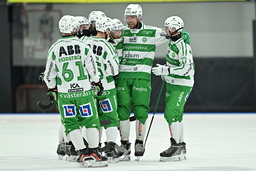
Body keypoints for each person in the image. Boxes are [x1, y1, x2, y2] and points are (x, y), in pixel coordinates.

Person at [116, 4, 191, 161]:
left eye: (132, 17)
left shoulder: (152, 31)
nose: (129, 20)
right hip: (123, 75)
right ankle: (124, 145)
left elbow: (173, 34)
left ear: (140, 17)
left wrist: (184, 36)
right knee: (121, 110)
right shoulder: (121, 31)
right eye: (127, 17)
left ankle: (139, 142)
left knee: (141, 110)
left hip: (142, 77)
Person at [43, 15, 107, 167]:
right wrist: (96, 81)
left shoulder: (54, 48)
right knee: (91, 121)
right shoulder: (83, 46)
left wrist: (52, 88)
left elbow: (48, 75)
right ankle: (94, 152)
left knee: (71, 124)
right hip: (84, 92)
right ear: (73, 29)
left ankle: (81, 153)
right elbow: (92, 68)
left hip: (65, 94)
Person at [152, 16, 194, 162]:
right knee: (177, 115)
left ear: (175, 29)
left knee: (171, 113)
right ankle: (180, 146)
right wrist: (166, 72)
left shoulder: (183, 46)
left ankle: (176, 146)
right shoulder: (172, 42)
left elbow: (186, 68)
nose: (165, 30)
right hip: (173, 82)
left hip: (182, 84)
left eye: (168, 28)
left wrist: (167, 70)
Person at [81, 16, 120, 162]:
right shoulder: (107, 46)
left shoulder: (85, 42)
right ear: (107, 30)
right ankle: (110, 149)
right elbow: (114, 69)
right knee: (110, 119)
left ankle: (92, 148)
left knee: (90, 119)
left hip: (89, 87)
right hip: (106, 88)